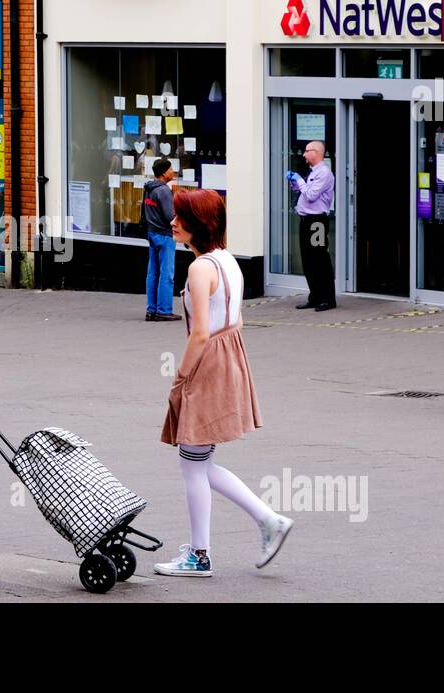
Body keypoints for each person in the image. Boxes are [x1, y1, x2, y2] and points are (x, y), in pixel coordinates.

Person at [154, 189, 293, 578]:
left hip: (208, 363)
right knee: (198, 461)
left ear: (199, 223)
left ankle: (201, 555)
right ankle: (268, 521)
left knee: (192, 466)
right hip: (230, 358)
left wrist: (181, 376)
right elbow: (236, 320)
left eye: (180, 217)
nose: (172, 222)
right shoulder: (228, 261)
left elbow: (199, 333)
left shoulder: (199, 269)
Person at [286, 140, 337, 311]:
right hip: (306, 220)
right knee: (308, 260)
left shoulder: (324, 173)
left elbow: (311, 195)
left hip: (317, 222)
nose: (304, 154)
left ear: (316, 152)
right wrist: (295, 183)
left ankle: (327, 299)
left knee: (320, 259)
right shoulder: (313, 172)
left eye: (307, 151)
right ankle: (315, 296)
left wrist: (299, 181)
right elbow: (303, 191)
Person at [142, 158, 182, 322]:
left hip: (152, 233)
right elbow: (170, 216)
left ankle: (151, 310)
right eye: (171, 169)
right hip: (165, 236)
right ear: (164, 172)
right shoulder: (164, 191)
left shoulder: (149, 189)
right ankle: (164, 310)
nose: (173, 172)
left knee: (153, 273)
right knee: (167, 274)